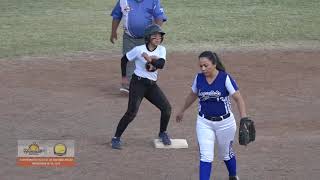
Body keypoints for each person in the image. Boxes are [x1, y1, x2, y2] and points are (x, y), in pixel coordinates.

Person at [176, 51, 248, 180]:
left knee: (226, 154)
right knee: (206, 156)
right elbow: (192, 95)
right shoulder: (198, 78)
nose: (203, 69)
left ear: (214, 64)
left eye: (206, 65)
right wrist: (182, 110)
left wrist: (244, 118)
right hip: (204, 122)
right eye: (201, 66)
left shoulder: (225, 78)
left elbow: (239, 98)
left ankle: (233, 176)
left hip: (225, 123)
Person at [111, 24, 172, 150]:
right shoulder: (138, 49)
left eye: (160, 36)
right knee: (131, 113)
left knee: (166, 108)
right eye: (155, 36)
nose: (158, 38)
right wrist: (124, 77)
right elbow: (124, 60)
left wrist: (149, 59)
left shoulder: (161, 50)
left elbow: (161, 64)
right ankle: (116, 138)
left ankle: (162, 133)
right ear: (148, 37)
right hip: (137, 84)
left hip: (151, 85)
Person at [110, 0, 167, 93]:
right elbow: (117, 15)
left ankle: (148, 83)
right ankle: (128, 85)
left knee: (148, 60)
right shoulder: (124, 1)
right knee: (129, 59)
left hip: (147, 38)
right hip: (129, 37)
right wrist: (113, 32)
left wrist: (155, 34)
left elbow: (159, 17)